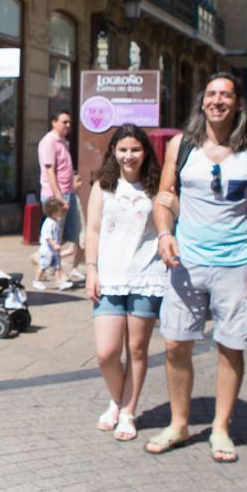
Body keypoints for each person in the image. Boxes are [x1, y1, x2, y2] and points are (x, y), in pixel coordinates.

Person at [146, 73, 247, 463]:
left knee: (230, 346)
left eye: (227, 95)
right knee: (174, 343)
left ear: (238, 105)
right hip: (187, 262)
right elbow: (165, 196)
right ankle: (179, 422)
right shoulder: (181, 146)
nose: (218, 101)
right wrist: (164, 232)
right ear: (202, 103)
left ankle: (220, 427)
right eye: (212, 95)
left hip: (236, 265)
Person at [85, 125, 168, 443]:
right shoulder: (103, 186)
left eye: (135, 149)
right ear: (113, 152)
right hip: (109, 276)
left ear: (145, 152)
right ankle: (116, 400)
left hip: (146, 274)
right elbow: (92, 230)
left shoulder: (155, 187)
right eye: (122, 149)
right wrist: (91, 269)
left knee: (136, 348)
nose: (129, 156)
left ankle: (128, 411)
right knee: (106, 353)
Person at [38, 111, 85, 289]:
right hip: (56, 195)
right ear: (54, 122)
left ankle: (51, 267)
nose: (68, 126)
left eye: (70, 122)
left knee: (71, 234)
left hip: (68, 192)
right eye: (64, 122)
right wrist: (59, 197)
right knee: (55, 237)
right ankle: (56, 273)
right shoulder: (48, 142)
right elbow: (50, 171)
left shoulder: (63, 142)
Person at [34, 196, 67, 289]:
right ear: (53, 212)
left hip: (53, 250)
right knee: (43, 266)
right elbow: (47, 237)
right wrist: (55, 244)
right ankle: (36, 281)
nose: (61, 213)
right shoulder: (49, 223)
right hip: (47, 250)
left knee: (57, 266)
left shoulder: (55, 221)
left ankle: (59, 282)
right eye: (59, 211)